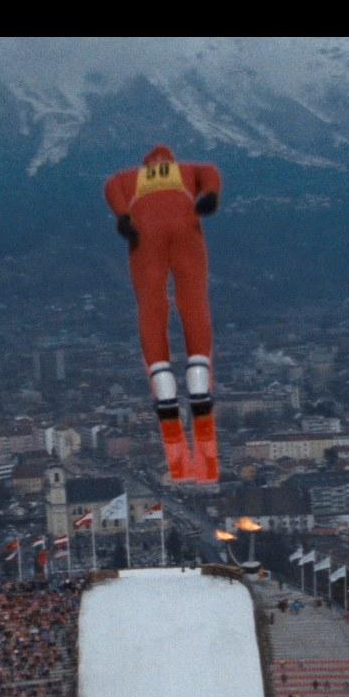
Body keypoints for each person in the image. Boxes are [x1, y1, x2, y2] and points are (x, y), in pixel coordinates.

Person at [104, 145, 224, 483]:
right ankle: (199, 371)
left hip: (144, 230)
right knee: (193, 297)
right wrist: (210, 196)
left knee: (151, 304)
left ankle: (161, 377)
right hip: (187, 225)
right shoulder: (186, 170)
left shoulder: (131, 177)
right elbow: (210, 172)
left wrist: (123, 216)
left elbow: (111, 186)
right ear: (170, 162)